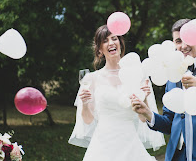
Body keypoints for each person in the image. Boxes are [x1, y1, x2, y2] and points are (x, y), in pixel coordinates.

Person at [131, 19, 196, 161]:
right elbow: (169, 123)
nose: (184, 46)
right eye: (178, 41)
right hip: (178, 156)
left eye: (187, 39)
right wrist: (148, 113)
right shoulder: (172, 76)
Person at [68, 24, 165, 161]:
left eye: (114, 39)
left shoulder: (137, 74)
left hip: (130, 143)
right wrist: (84, 103)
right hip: (102, 146)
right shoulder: (92, 79)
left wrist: (145, 97)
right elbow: (88, 120)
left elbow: (143, 118)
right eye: (105, 41)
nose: (111, 43)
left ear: (120, 43)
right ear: (100, 50)